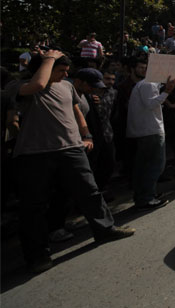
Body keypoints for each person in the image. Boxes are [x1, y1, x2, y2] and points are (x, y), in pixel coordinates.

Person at [12, 50, 134, 273]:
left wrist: (86, 135)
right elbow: (38, 86)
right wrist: (49, 58)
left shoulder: (67, 86)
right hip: (34, 153)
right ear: (44, 67)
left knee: (90, 191)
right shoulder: (20, 85)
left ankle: (105, 229)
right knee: (33, 206)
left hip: (71, 148)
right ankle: (37, 255)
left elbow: (76, 110)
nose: (65, 74)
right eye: (61, 70)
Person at [126, 59, 175, 210]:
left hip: (146, 131)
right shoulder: (148, 84)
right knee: (155, 165)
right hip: (151, 130)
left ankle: (145, 195)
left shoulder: (146, 84)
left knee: (144, 166)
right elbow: (151, 104)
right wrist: (167, 92)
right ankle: (146, 198)